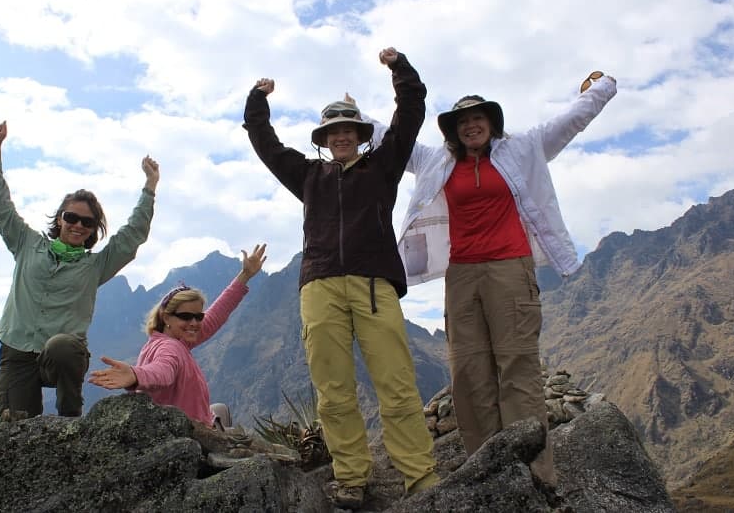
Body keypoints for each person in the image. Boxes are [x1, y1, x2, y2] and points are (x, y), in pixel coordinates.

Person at [394, 71, 618, 485]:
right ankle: (487, 471)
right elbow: (393, 139)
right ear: (453, 131)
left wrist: (602, 86)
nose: (470, 125)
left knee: (517, 366)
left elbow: (571, 120)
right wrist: (353, 115)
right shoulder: (436, 162)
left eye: (478, 118)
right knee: (468, 371)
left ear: (492, 123)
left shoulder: (523, 149)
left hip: (510, 269)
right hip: (460, 275)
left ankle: (535, 473)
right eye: (462, 122)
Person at [243, 48, 439, 509]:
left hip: (375, 286)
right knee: (332, 388)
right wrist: (257, 99)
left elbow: (411, 113)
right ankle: (351, 476)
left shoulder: (383, 166)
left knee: (395, 380)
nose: (342, 136)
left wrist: (400, 68)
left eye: (349, 129)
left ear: (360, 134)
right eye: (335, 132)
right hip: (320, 285)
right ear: (325, 139)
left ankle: (419, 473)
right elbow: (265, 144)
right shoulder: (308, 177)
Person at [0, 120, 160, 418]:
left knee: (63, 346)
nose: (78, 225)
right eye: (72, 217)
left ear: (94, 229)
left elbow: (132, 236)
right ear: (60, 219)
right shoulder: (27, 244)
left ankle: (71, 420)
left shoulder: (94, 266)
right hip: (17, 349)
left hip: (63, 357)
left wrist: (149, 187)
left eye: (88, 222)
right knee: (15, 425)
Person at [87, 244, 267, 427]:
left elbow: (216, 316)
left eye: (198, 316)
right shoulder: (171, 348)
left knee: (219, 409)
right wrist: (136, 375)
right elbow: (163, 371)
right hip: (188, 431)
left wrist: (245, 275)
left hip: (176, 423)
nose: (195, 323)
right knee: (223, 417)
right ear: (166, 317)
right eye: (186, 317)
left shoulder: (172, 340)